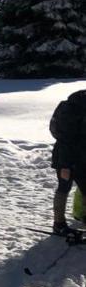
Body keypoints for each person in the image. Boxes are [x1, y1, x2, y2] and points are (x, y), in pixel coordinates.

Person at [49, 90, 86, 234]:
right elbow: (65, 141)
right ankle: (59, 224)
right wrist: (65, 165)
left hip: (81, 156)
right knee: (64, 187)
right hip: (67, 157)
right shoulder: (71, 112)